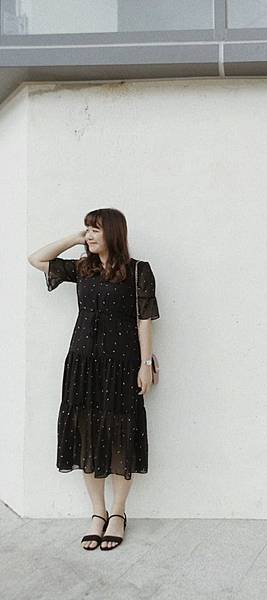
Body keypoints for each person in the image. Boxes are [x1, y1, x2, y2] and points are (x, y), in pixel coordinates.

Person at [27, 208, 160, 550]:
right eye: (86, 229)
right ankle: (97, 513)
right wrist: (75, 239)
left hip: (122, 364)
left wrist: (146, 363)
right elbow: (36, 259)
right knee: (86, 433)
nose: (88, 234)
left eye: (95, 229)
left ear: (113, 233)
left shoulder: (137, 271)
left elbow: (145, 319)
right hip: (83, 363)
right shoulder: (82, 268)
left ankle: (118, 513)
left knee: (121, 434)